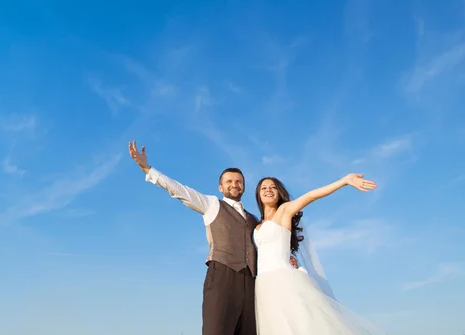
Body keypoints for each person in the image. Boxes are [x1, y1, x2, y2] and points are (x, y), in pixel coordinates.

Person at [128, 141, 258, 335]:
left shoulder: (254, 219)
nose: (234, 184)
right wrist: (147, 168)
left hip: (251, 282)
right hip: (222, 275)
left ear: (244, 187)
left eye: (238, 181)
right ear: (220, 187)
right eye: (229, 181)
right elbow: (180, 190)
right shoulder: (212, 204)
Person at [252, 175, 386, 334]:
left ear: (279, 192)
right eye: (264, 188)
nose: (268, 190)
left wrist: (344, 181)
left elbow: (310, 196)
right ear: (258, 195)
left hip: (284, 280)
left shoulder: (284, 210)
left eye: (273, 187)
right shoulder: (256, 224)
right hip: (263, 285)